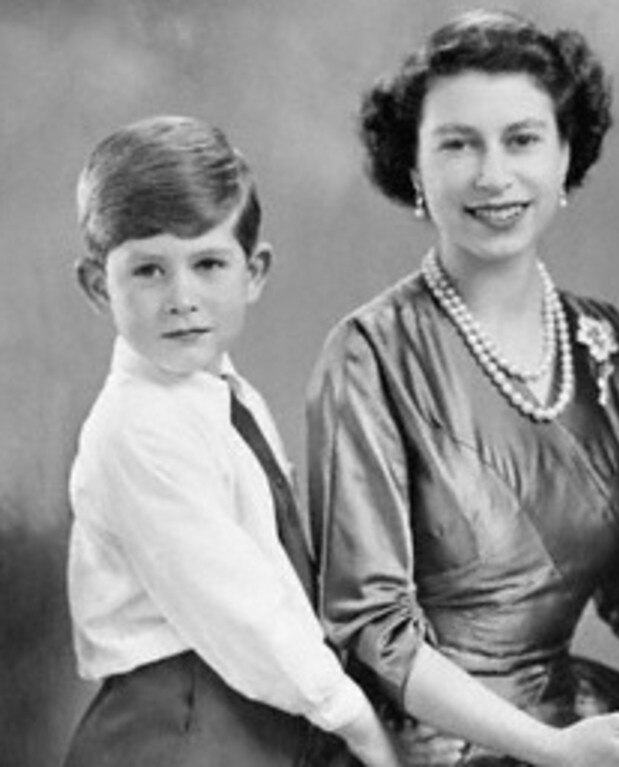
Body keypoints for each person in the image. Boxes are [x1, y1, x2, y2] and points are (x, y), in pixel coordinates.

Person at [306, 10, 619, 767]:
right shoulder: (369, 352)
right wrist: (553, 751)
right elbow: (374, 630)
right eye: (457, 144)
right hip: (423, 739)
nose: (493, 176)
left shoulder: (611, 346)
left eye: (522, 140)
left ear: (566, 159)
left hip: (582, 719)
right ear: (414, 168)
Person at [63, 115, 400, 767]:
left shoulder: (221, 394)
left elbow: (272, 567)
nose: (182, 298)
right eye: (149, 271)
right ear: (98, 286)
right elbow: (240, 609)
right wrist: (355, 719)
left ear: (255, 270)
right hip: (178, 725)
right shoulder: (139, 427)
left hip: (253, 703)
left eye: (208, 263)